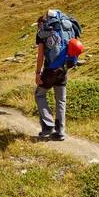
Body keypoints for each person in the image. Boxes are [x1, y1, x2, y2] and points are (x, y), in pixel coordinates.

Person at [34, 12, 68, 141]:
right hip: (63, 70)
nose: (38, 28)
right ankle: (60, 132)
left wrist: (38, 73)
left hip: (50, 70)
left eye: (38, 25)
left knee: (39, 95)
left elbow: (41, 56)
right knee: (61, 100)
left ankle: (48, 126)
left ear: (42, 23)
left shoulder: (43, 32)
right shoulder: (64, 31)